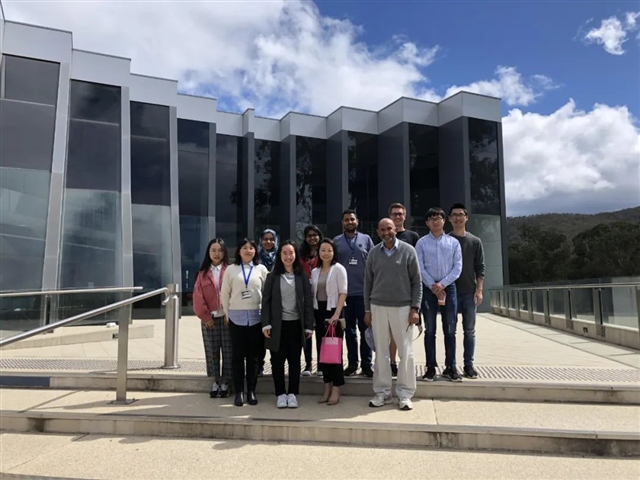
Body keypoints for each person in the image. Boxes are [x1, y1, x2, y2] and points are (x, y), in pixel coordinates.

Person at [364, 218, 422, 410]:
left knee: (406, 352)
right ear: (378, 232)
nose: (386, 232)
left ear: (395, 229)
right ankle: (382, 392)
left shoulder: (408, 251)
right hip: (378, 307)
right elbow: (367, 283)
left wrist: (415, 308)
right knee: (381, 352)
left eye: (389, 228)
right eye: (382, 229)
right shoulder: (374, 253)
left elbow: (417, 282)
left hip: (403, 308)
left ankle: (405, 393)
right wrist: (367, 310)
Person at [261, 240, 314, 409]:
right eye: (284, 253)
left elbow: (308, 302)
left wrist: (308, 325)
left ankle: (292, 393)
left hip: (296, 325)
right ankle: (280, 394)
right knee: (277, 361)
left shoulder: (301, 277)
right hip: (277, 326)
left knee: (294, 361)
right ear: (279, 255)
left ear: (296, 255)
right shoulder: (272, 276)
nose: (288, 256)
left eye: (291, 253)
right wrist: (265, 323)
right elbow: (266, 301)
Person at [415, 208, 463, 382]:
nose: (435, 221)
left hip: (448, 288)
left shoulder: (453, 242)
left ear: (444, 221)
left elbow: (457, 267)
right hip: (428, 289)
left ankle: (451, 366)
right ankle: (430, 367)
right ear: (427, 222)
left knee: (450, 329)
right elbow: (419, 267)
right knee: (430, 330)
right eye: (432, 218)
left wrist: (442, 284)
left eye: (438, 218)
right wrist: (433, 286)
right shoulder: (421, 243)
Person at [221, 238, 270, 406]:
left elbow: (266, 294)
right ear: (239, 251)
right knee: (237, 356)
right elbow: (224, 293)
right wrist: (227, 314)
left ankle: (251, 391)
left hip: (256, 317)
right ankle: (239, 392)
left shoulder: (261, 269)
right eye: (244, 248)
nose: (248, 250)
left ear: (255, 251)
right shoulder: (231, 269)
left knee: (253, 357)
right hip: (236, 317)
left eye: (251, 248)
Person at [333, 209, 375, 378]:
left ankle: (367, 365)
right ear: (342, 223)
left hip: (364, 293)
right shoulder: (336, 241)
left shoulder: (366, 239)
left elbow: (373, 263)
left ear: (357, 221)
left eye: (352, 219)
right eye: (346, 220)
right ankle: (352, 364)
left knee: (365, 330)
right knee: (349, 331)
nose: (349, 222)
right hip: (344, 294)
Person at [449, 203, 485, 380]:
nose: (458, 218)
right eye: (454, 215)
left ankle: (468, 365)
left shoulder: (475, 241)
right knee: (450, 330)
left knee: (469, 331)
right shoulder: (446, 240)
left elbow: (480, 267)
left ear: (466, 218)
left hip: (469, 293)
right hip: (451, 292)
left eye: (461, 215)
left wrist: (479, 290)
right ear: (449, 219)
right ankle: (451, 365)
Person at [310, 238, 348, 405]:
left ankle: (336, 388)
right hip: (319, 313)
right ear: (318, 252)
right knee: (322, 352)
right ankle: (326, 387)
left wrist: (336, 314)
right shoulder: (315, 271)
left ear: (334, 252)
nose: (326, 253)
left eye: (329, 250)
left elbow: (343, 292)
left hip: (334, 312)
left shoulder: (339, 269)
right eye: (323, 250)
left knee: (334, 352)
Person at [192, 238, 232, 398]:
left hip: (227, 319)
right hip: (210, 320)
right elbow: (198, 297)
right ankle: (215, 381)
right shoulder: (202, 274)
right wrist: (205, 317)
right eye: (213, 250)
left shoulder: (230, 270)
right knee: (212, 351)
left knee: (228, 351)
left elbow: (233, 293)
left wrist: (229, 313)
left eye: (220, 250)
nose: (217, 254)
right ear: (208, 252)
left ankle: (226, 382)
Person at [387, 202, 420, 377]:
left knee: (405, 333)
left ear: (405, 216)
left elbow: (417, 269)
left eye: (400, 214)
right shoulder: (385, 236)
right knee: (391, 333)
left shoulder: (413, 237)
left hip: (407, 295)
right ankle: (392, 362)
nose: (397, 216)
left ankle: (405, 366)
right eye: (394, 214)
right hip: (388, 294)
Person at [299, 225, 323, 376]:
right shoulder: (300, 254)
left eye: (315, 235)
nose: (312, 238)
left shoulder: (323, 252)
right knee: (306, 331)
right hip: (304, 297)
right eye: (309, 235)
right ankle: (308, 364)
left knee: (320, 331)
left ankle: (321, 364)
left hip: (320, 296)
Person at [257, 229, 279, 376]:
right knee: (260, 336)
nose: (268, 242)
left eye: (272, 239)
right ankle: (259, 365)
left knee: (275, 335)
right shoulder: (256, 257)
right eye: (265, 239)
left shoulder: (280, 256)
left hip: (276, 300)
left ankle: (275, 365)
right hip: (259, 300)